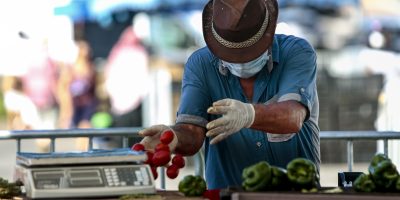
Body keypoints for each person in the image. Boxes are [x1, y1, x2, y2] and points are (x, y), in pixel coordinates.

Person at [139, 0, 320, 189]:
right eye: (231, 53)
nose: (241, 61)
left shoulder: (297, 52)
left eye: (249, 52)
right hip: (226, 193)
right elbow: (192, 133)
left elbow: (293, 116)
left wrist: (249, 115)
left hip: (295, 192)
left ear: (269, 33)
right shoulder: (200, 64)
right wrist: (173, 138)